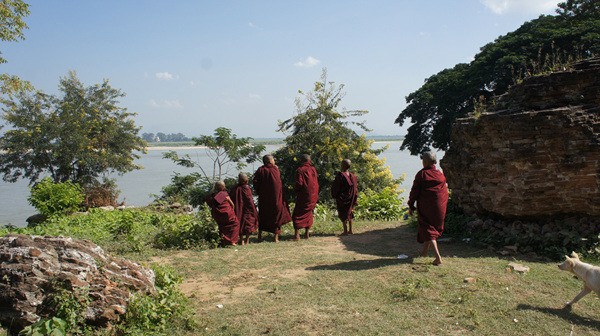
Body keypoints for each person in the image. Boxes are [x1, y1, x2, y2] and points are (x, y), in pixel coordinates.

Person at [407, 151, 449, 266]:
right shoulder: (440, 174)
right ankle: (424, 252)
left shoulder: (422, 174)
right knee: (429, 228)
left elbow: (414, 192)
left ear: (425, 162)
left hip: (427, 207)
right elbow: (444, 192)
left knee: (429, 229)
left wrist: (411, 205)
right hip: (440, 207)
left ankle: (437, 257)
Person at [253, 154, 292, 242]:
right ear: (270, 161)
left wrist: (260, 192)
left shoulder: (261, 170)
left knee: (263, 215)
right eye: (273, 160)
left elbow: (255, 183)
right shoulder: (275, 169)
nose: (274, 161)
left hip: (264, 199)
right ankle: (275, 238)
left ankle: (259, 236)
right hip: (276, 199)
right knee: (276, 216)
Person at [292, 154, 319, 240]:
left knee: (297, 213)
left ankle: (297, 235)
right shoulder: (313, 169)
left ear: (301, 161)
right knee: (309, 213)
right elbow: (315, 182)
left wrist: (295, 189)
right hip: (312, 195)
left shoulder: (300, 170)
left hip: (303, 195)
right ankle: (307, 234)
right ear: (309, 161)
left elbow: (299, 183)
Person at [206, 180, 240, 246]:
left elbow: (210, 204)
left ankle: (223, 241)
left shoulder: (212, 196)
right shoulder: (224, 194)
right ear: (222, 187)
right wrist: (231, 212)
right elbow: (232, 205)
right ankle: (232, 241)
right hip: (227, 214)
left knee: (221, 226)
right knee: (236, 224)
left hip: (217, 215)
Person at [230, 173, 259, 245]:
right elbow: (250, 200)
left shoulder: (234, 188)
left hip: (238, 209)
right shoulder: (246, 188)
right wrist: (254, 209)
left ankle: (242, 239)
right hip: (247, 209)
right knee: (248, 224)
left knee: (240, 223)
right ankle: (247, 240)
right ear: (245, 180)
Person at [331, 159, 358, 235]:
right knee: (349, 212)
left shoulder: (340, 175)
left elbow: (336, 187)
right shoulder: (353, 176)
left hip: (342, 198)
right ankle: (350, 230)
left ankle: (345, 231)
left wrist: (335, 194)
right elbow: (355, 188)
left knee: (343, 213)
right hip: (351, 197)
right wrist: (355, 197)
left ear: (343, 165)